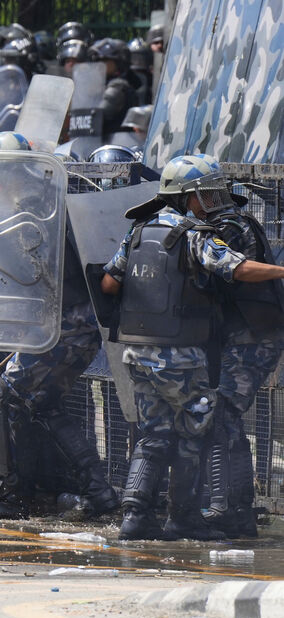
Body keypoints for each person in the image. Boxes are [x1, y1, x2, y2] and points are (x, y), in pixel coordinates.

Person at [100, 155, 284, 540]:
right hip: (183, 355)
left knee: (160, 433)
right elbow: (235, 268)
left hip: (147, 351)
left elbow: (107, 285)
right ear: (186, 197)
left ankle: (138, 517)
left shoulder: (139, 231)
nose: (215, 199)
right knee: (197, 431)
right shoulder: (193, 233)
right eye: (206, 193)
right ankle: (192, 516)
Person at [0, 132, 119, 521]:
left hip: (65, 322)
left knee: (5, 393)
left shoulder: (33, 207)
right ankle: (100, 495)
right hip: (64, 320)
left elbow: (32, 272)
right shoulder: (43, 197)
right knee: (40, 403)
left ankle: (11, 498)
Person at [191, 156, 284, 538]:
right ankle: (234, 508)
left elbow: (237, 268)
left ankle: (231, 509)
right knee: (222, 418)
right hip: (245, 335)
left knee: (222, 417)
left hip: (253, 336)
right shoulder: (229, 223)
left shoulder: (229, 227)